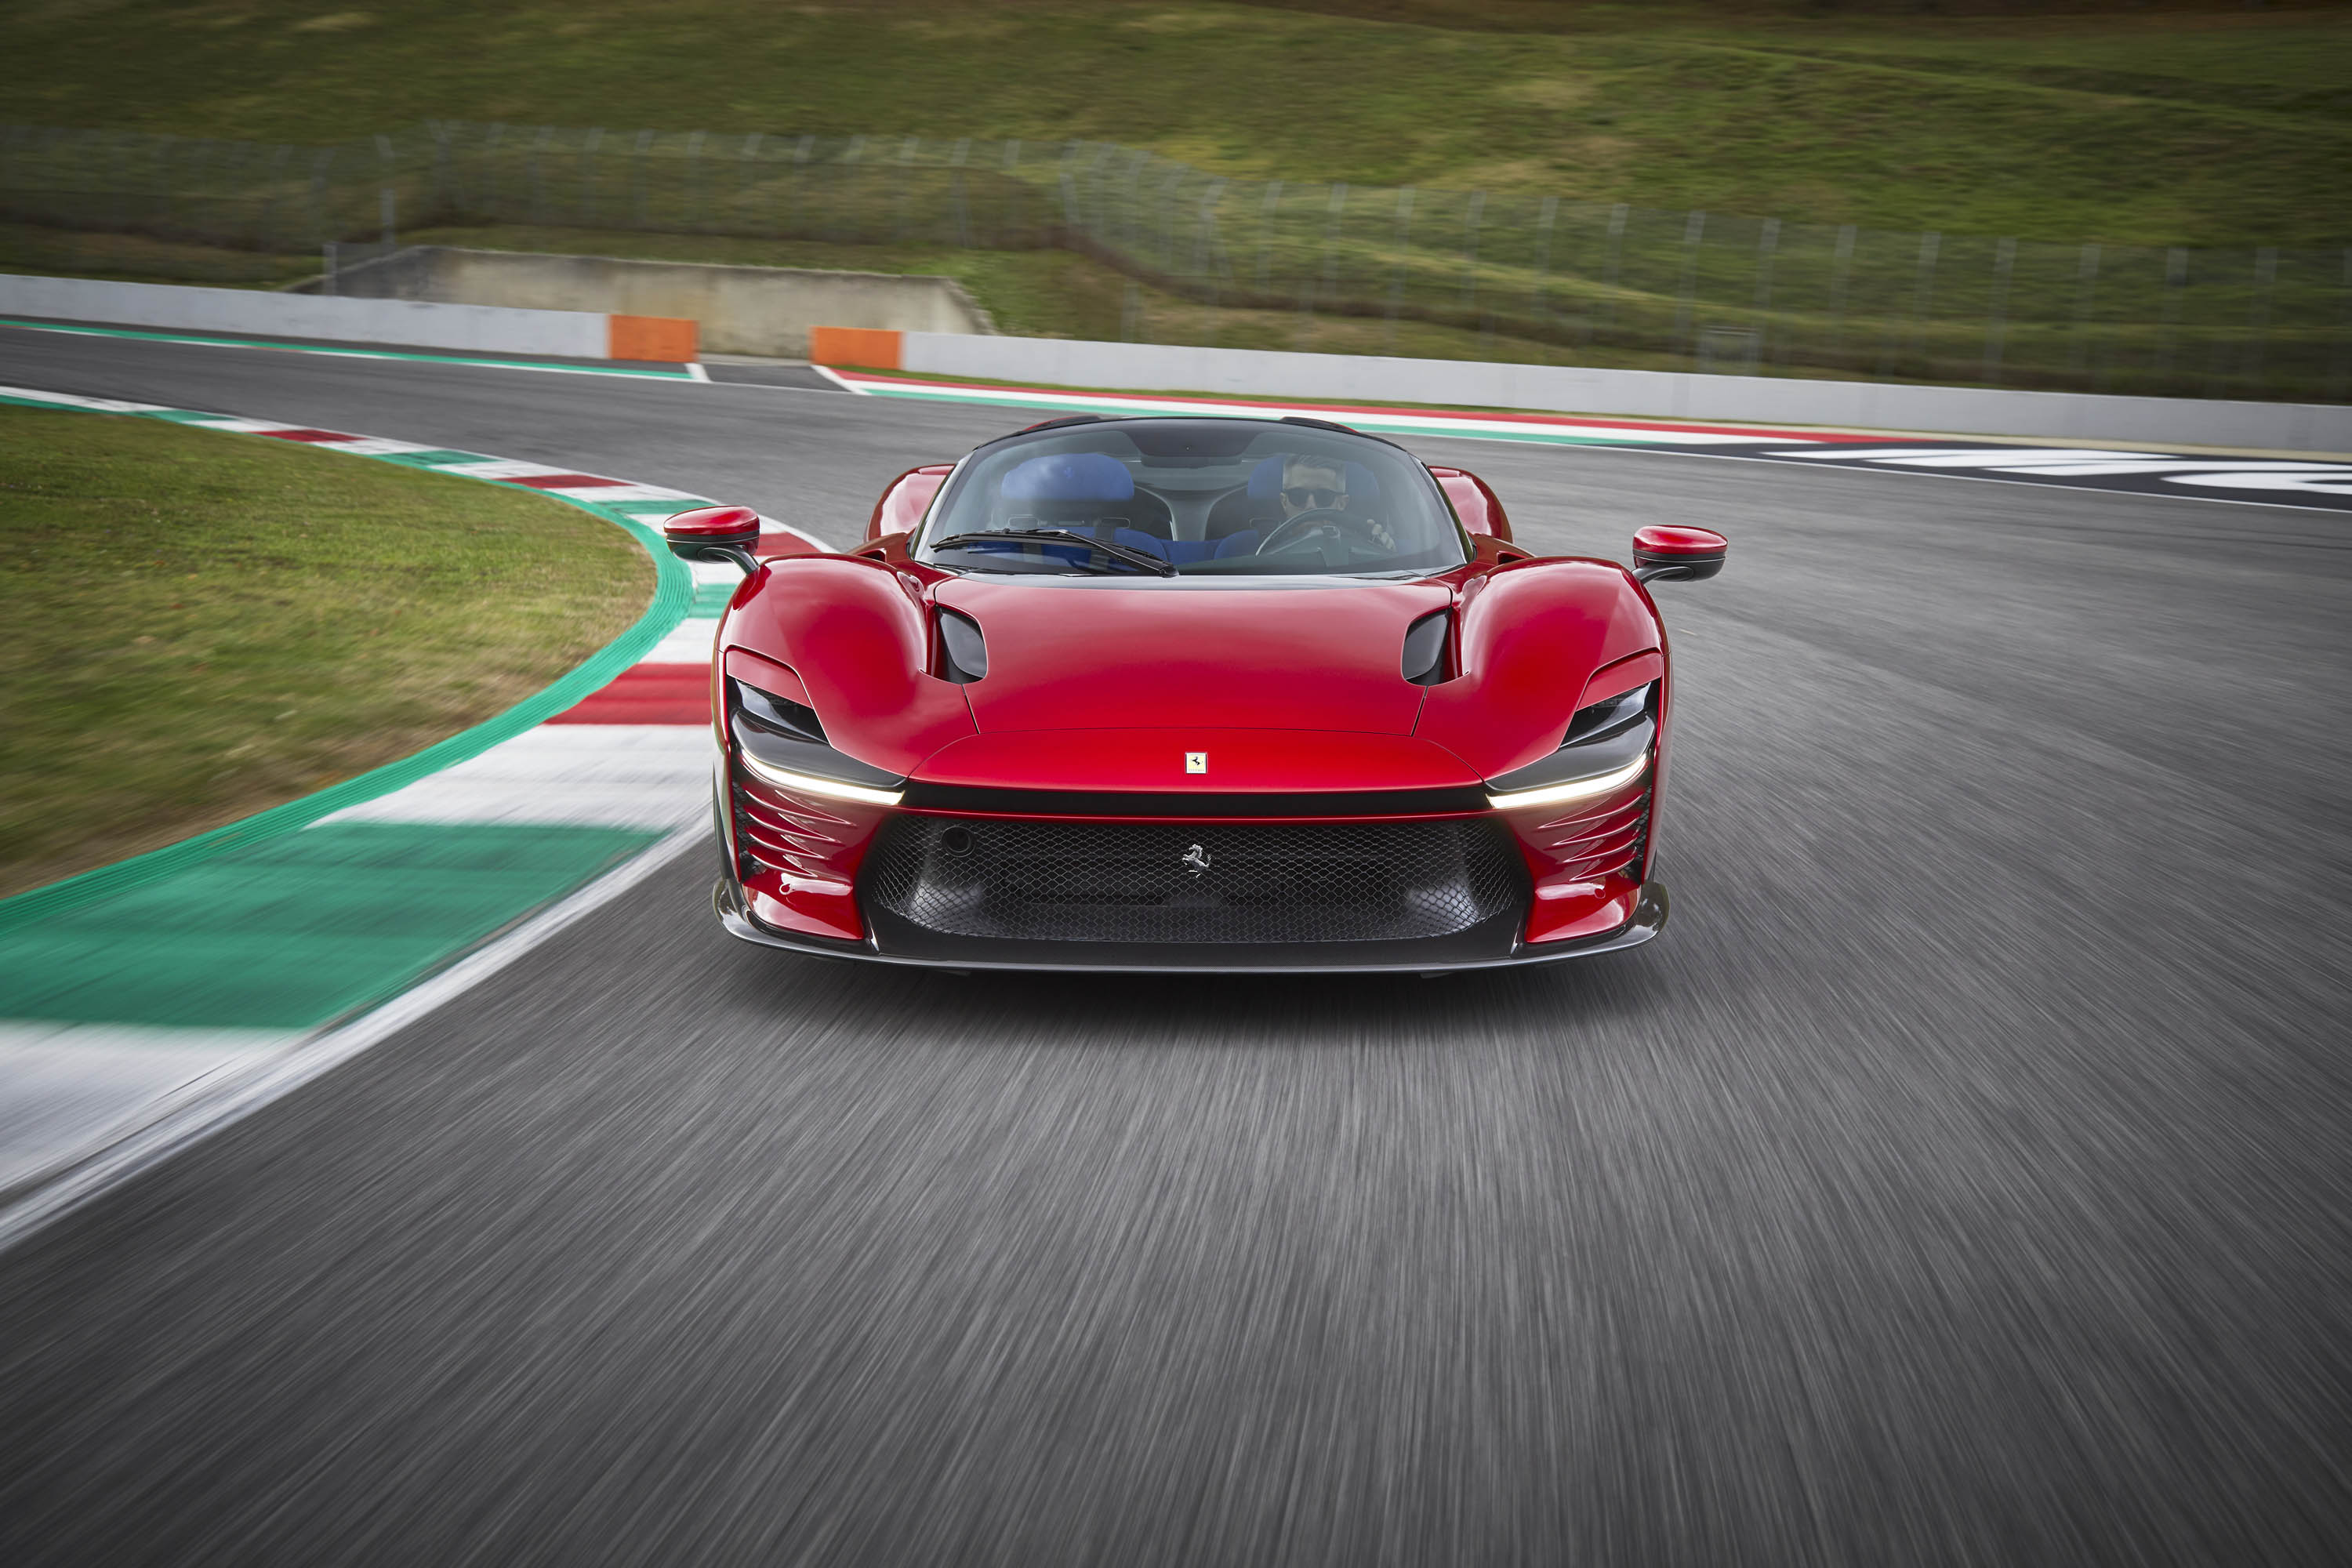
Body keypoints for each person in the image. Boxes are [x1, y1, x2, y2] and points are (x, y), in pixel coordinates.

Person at [1270, 455, 1394, 550]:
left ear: (1342, 503)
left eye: (1324, 496)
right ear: (1284, 502)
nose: (1311, 506)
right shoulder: (1255, 549)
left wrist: (1382, 552)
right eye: (1298, 495)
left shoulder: (1366, 545)